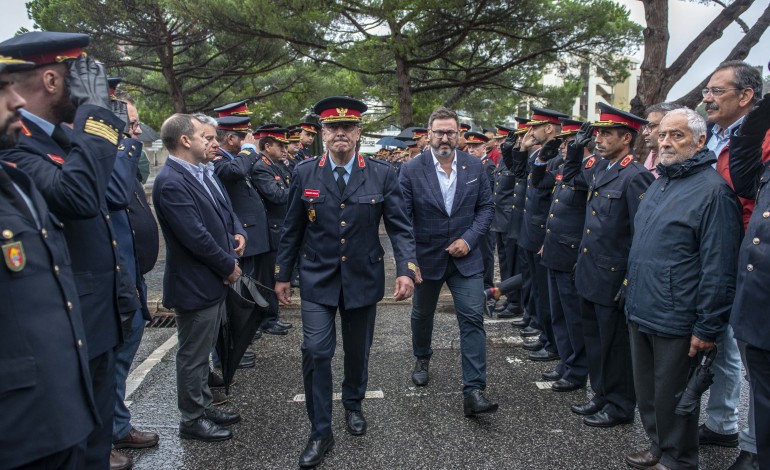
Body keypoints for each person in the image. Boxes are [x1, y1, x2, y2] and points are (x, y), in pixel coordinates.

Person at [0, 31, 129, 468]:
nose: (91, 90)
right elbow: (78, 198)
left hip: (92, 319)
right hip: (64, 334)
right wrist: (95, 117)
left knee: (92, 442)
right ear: (53, 81)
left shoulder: (61, 137)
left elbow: (114, 192)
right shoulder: (18, 147)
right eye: (82, 79)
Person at [274, 96, 418, 468]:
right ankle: (320, 431)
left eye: (348, 127)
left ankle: (353, 404)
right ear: (323, 133)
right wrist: (281, 276)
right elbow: (291, 229)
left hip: (362, 277)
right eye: (333, 128)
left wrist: (405, 267)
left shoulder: (383, 173)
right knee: (316, 351)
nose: (340, 133)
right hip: (317, 277)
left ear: (358, 133)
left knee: (357, 352)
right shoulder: (305, 172)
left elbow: (400, 226)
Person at [624, 108, 742, 470]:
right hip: (642, 306)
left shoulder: (713, 192)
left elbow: (719, 268)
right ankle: (659, 445)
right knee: (648, 393)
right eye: (663, 135)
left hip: (677, 315)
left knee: (673, 396)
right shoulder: (661, 180)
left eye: (677, 135)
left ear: (700, 140)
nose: (666, 142)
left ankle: (678, 459)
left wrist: (708, 326)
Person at [398, 106, 498, 417]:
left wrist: (468, 239)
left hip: (466, 260)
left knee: (472, 318)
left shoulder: (474, 166)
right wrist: (409, 263)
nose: (444, 137)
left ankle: (474, 391)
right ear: (428, 135)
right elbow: (403, 220)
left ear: (459, 135)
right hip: (427, 260)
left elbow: (486, 209)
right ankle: (422, 357)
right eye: (439, 132)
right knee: (422, 314)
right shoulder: (411, 170)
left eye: (450, 132)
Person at [153, 113, 245, 442]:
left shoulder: (196, 173)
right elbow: (196, 237)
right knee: (192, 357)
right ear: (185, 140)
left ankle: (204, 406)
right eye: (203, 136)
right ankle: (191, 419)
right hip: (196, 283)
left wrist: (236, 232)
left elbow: (220, 213)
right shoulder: (172, 181)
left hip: (210, 280)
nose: (211, 142)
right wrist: (227, 266)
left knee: (202, 353)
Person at [566, 103, 655, 428]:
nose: (599, 139)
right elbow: (574, 180)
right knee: (596, 340)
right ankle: (601, 394)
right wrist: (576, 150)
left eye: (606, 134)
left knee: (615, 346)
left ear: (626, 139)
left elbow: (640, 233)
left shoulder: (635, 176)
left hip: (614, 276)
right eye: (599, 133)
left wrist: (629, 281)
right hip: (592, 271)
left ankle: (619, 405)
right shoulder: (603, 168)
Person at [698, 61, 763, 469]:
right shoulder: (711, 137)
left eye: (717, 91)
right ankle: (722, 424)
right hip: (712, 255)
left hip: (747, 258)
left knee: (753, 353)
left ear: (746, 97)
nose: (707, 97)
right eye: (707, 89)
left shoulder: (759, 139)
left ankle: (755, 446)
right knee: (718, 345)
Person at [109, 91, 160, 469]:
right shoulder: (106, 160)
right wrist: (126, 145)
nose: (138, 131)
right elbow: (112, 195)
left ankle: (117, 425)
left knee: (123, 356)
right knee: (104, 364)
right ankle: (102, 437)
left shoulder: (124, 160)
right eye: (130, 123)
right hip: (111, 281)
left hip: (132, 275)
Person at [729, 91, 770, 470]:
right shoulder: (765, 159)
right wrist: (760, 114)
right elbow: (743, 176)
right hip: (757, 294)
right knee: (760, 384)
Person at [513, 107, 569, 364]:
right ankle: (544, 334)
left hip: (543, 232)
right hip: (532, 228)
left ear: (548, 128)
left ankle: (549, 340)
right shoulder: (544, 155)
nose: (530, 132)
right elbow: (523, 177)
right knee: (537, 287)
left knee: (547, 295)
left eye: (535, 127)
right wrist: (523, 150)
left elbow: (542, 187)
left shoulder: (557, 157)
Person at [539, 117, 591, 392]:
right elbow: (552, 201)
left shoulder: (588, 169)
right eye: (565, 142)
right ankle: (565, 361)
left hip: (571, 252)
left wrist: (574, 156)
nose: (565, 147)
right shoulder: (564, 166)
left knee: (573, 316)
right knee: (558, 312)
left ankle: (577, 369)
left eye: (572, 143)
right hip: (555, 247)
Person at [252, 126, 293, 335]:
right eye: (280, 145)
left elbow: (287, 187)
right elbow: (276, 195)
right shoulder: (262, 167)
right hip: (271, 230)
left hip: (279, 227)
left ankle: (272, 317)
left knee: (274, 275)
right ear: (267, 146)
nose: (284, 149)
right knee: (268, 278)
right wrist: (294, 192)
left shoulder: (276, 165)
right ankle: (267, 319)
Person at [465, 131, 496, 303]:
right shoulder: (470, 165)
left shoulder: (488, 166)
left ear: (484, 147)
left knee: (486, 255)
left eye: (475, 147)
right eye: (469, 146)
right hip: (472, 218)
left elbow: (488, 196)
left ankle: (488, 291)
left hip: (484, 219)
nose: (471, 150)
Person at [642, 103, 682, 178]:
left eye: (651, 126)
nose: (644, 132)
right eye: (645, 127)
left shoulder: (678, 159)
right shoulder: (653, 152)